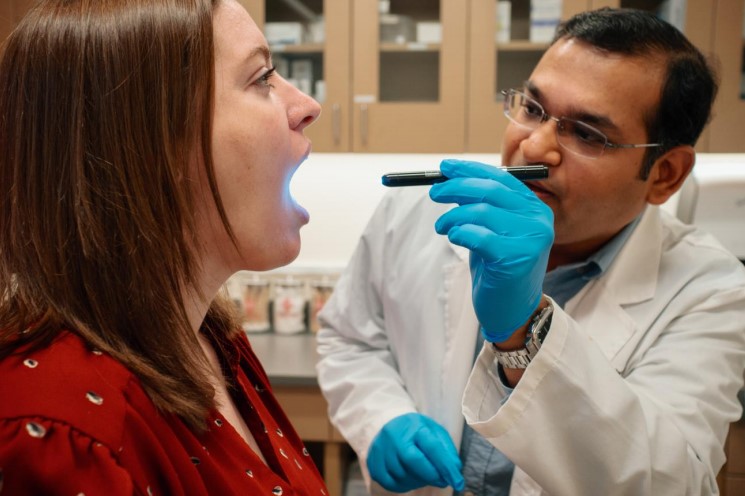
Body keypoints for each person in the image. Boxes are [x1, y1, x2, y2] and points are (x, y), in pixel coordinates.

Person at [316, 8, 745, 496]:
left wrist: (526, 333)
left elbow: (673, 482)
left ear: (665, 173)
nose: (536, 147)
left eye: (587, 134)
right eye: (533, 110)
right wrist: (382, 418)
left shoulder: (711, 290)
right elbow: (349, 340)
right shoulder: (418, 211)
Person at [0, 0, 325, 494]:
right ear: (150, 142)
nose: (307, 106)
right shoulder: (56, 430)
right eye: (262, 78)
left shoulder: (212, 341)